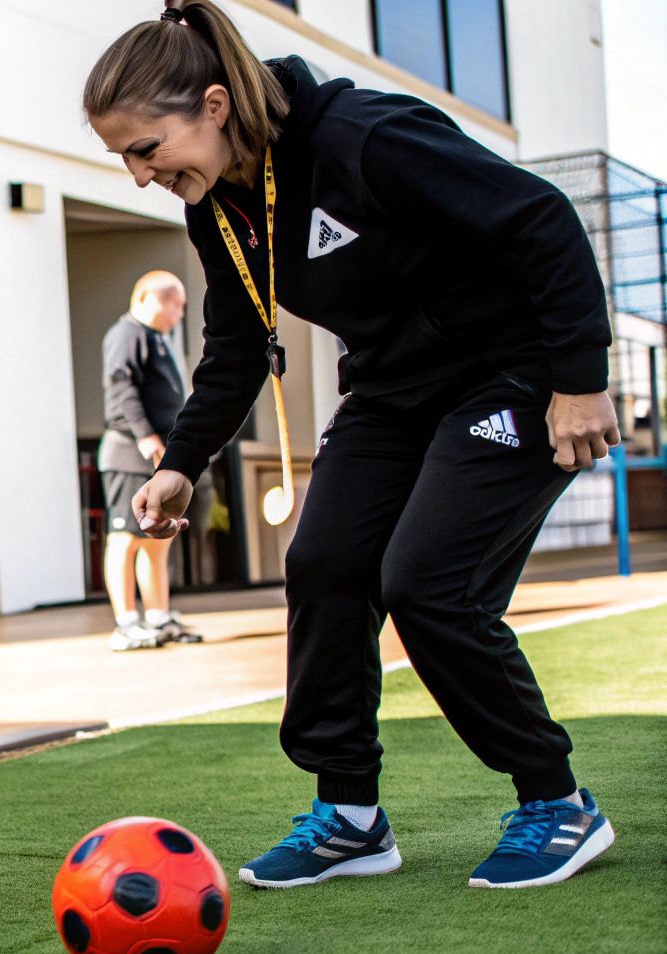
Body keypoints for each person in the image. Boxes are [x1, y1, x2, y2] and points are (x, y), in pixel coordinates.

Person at [84, 0, 622, 889]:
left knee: (428, 585)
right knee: (327, 563)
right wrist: (179, 463)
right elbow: (233, 347)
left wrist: (579, 378)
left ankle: (555, 802)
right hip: (389, 392)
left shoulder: (366, 137)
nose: (140, 175)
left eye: (147, 149)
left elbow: (540, 219)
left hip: (511, 374)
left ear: (215, 105)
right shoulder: (218, 207)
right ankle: (350, 816)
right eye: (125, 159)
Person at [99, 269, 205, 651]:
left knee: (156, 537)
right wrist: (145, 436)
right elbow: (121, 385)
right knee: (124, 538)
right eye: (174, 304)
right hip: (129, 452)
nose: (179, 313)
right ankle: (126, 623)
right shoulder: (126, 334)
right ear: (146, 298)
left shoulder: (155, 339)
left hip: (157, 455)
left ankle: (159, 617)